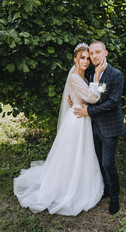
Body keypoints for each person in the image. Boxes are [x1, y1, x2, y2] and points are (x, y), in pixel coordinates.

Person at [13, 43, 107, 216]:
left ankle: (78, 181)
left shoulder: (83, 78)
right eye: (82, 58)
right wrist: (98, 78)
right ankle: (68, 186)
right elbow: (92, 98)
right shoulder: (74, 77)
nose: (86, 61)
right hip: (78, 120)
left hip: (81, 117)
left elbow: (94, 95)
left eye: (87, 58)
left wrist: (92, 88)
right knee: (73, 154)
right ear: (75, 60)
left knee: (79, 154)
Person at [72, 41, 125, 214]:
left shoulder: (115, 75)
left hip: (109, 127)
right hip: (94, 127)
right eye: (91, 53)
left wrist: (89, 111)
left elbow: (112, 102)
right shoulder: (93, 73)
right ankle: (106, 190)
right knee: (98, 162)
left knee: (108, 163)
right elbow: (94, 95)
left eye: (97, 52)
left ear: (105, 53)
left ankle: (115, 195)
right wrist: (74, 100)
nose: (94, 56)